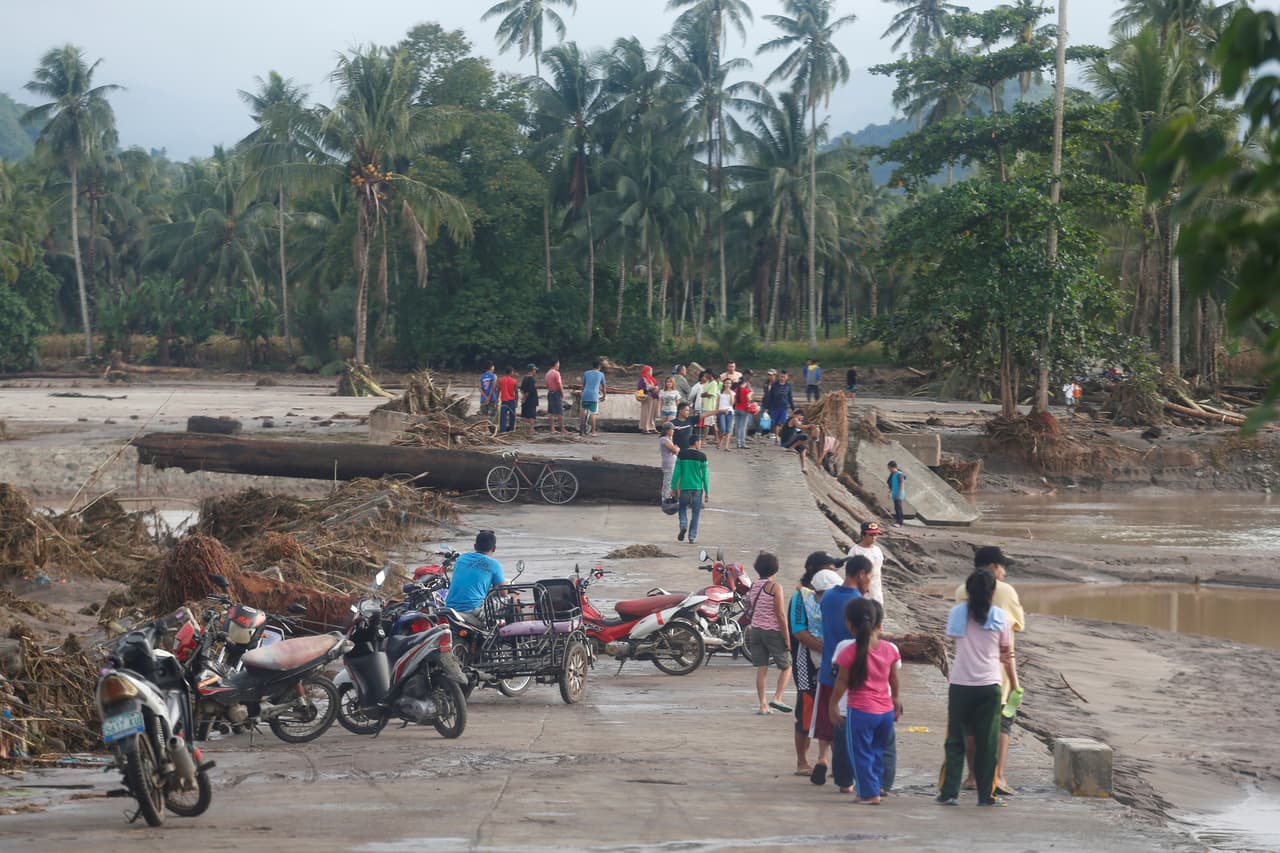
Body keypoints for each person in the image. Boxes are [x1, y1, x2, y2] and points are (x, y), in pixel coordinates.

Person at [937, 569, 1019, 808]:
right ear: (993, 592)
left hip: (960, 685)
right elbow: (1007, 656)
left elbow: (955, 639)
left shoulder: (957, 614)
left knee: (955, 740)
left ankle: (949, 792)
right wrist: (1015, 686)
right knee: (988, 742)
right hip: (989, 686)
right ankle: (986, 795)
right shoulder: (1001, 617)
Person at [956, 546, 1026, 796]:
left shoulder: (961, 591)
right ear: (993, 567)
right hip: (997, 674)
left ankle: (973, 777)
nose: (1004, 573)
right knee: (1002, 725)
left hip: (966, 672)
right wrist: (1016, 683)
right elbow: (1016, 627)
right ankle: (997, 776)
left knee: (972, 728)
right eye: (1002, 567)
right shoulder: (1005, 592)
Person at [830, 597, 901, 804]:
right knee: (877, 752)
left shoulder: (848, 651)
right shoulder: (889, 649)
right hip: (885, 711)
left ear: (850, 624)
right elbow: (894, 679)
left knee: (860, 754)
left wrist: (833, 704)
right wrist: (896, 698)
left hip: (861, 711)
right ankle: (876, 787)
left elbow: (842, 681)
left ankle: (868, 794)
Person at [809, 553, 865, 787]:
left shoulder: (829, 597)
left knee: (825, 718)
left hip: (827, 668)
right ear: (861, 574)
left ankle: (822, 758)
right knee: (845, 725)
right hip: (850, 670)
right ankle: (846, 778)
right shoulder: (857, 601)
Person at [790, 555, 842, 776]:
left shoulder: (836, 595)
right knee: (807, 707)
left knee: (835, 706)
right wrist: (825, 649)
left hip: (832, 658)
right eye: (828, 569)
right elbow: (798, 631)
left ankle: (833, 760)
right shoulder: (800, 598)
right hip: (806, 658)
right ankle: (802, 761)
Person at [746, 552, 792, 716]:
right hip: (772, 631)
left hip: (756, 630)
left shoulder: (754, 585)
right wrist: (787, 637)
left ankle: (762, 705)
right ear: (775, 569)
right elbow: (780, 614)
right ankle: (777, 698)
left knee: (762, 668)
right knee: (787, 666)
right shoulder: (775, 587)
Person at [444, 529, 505, 614]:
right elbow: (503, 593)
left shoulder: (461, 558)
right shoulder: (494, 564)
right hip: (473, 610)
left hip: (450, 607)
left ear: (475, 546)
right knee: (511, 599)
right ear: (494, 548)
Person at [670, 433, 709, 543]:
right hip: (697, 489)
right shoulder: (702, 457)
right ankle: (692, 536)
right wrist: (707, 491)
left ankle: (683, 525)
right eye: (700, 442)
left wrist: (673, 487)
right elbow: (705, 476)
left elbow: (676, 473)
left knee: (682, 508)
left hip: (684, 488)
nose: (700, 444)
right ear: (696, 443)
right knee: (695, 513)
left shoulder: (681, 455)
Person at [847, 521, 886, 605]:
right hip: (861, 590)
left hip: (876, 588)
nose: (874, 537)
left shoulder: (877, 550)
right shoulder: (855, 551)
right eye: (871, 535)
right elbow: (850, 574)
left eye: (875, 535)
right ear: (863, 535)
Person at [579, 360, 607, 436]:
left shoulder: (586, 373)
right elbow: (604, 387)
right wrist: (604, 396)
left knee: (582, 410)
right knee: (593, 413)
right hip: (594, 396)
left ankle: (580, 428)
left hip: (585, 394)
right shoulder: (601, 374)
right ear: (599, 367)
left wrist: (582, 393)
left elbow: (583, 384)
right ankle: (593, 432)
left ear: (592, 366)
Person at [768, 370, 795, 442]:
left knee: (782, 422)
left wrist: (793, 408)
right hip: (775, 407)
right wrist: (768, 407)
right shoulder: (775, 385)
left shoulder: (788, 386)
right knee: (775, 422)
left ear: (787, 377)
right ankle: (775, 436)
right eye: (781, 376)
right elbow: (770, 396)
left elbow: (790, 397)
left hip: (784, 407)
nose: (782, 378)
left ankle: (779, 436)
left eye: (784, 377)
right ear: (779, 377)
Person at [732, 371, 754, 450]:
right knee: (743, 427)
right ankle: (742, 443)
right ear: (744, 383)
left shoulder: (736, 390)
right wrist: (751, 396)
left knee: (737, 426)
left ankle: (738, 443)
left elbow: (734, 401)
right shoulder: (746, 390)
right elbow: (749, 399)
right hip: (744, 409)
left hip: (737, 409)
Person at [658, 421, 680, 502]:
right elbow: (675, 450)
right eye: (672, 429)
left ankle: (669, 498)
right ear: (667, 430)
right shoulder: (663, 439)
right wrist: (677, 448)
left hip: (672, 464)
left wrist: (676, 449)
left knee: (672, 482)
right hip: (668, 465)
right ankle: (665, 499)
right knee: (668, 483)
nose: (673, 431)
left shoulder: (669, 439)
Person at [698, 370, 721, 442]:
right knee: (712, 423)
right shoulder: (707, 383)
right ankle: (717, 438)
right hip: (705, 405)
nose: (705, 376)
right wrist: (705, 394)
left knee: (707, 424)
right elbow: (703, 394)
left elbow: (710, 394)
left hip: (710, 406)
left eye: (706, 374)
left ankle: (704, 439)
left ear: (710, 375)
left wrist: (705, 394)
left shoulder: (714, 383)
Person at [637, 365, 660, 434]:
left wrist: (656, 388)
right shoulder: (643, 379)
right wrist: (650, 388)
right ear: (647, 371)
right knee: (646, 413)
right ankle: (644, 427)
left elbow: (656, 385)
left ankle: (652, 427)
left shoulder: (652, 379)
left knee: (652, 413)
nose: (651, 372)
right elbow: (640, 388)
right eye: (650, 371)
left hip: (654, 397)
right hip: (647, 397)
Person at [545, 359, 565, 434]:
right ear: (556, 364)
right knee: (560, 412)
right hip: (556, 393)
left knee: (551, 412)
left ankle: (552, 429)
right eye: (558, 363)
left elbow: (547, 384)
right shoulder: (556, 373)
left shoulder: (547, 373)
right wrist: (562, 393)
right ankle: (562, 429)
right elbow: (559, 384)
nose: (559, 365)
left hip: (550, 393)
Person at [519, 364, 539, 433]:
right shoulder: (531, 379)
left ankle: (525, 429)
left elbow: (521, 389)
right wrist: (525, 397)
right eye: (535, 370)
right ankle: (531, 429)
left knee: (525, 414)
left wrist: (523, 397)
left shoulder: (524, 378)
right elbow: (529, 391)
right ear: (532, 370)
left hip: (526, 400)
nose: (535, 371)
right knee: (532, 415)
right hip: (531, 399)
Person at [498, 366, 518, 434]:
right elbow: (516, 392)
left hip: (504, 400)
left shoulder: (501, 380)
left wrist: (497, 399)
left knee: (503, 417)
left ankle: (502, 430)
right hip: (511, 400)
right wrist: (516, 401)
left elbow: (498, 390)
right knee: (512, 416)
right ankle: (511, 430)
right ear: (511, 372)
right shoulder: (514, 381)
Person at [887, 461, 906, 526]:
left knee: (898, 508)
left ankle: (900, 522)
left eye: (889, 468)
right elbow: (892, 485)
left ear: (892, 467)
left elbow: (901, 485)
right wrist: (890, 492)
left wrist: (899, 494)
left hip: (899, 493)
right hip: (895, 493)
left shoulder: (899, 474)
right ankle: (898, 521)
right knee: (896, 508)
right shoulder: (892, 474)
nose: (889, 469)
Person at [715, 382, 733, 451]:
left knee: (728, 430)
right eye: (726, 383)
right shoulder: (720, 392)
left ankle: (726, 446)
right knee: (722, 429)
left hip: (729, 411)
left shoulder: (732, 393)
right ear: (724, 384)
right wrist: (716, 411)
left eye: (729, 383)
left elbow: (732, 403)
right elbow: (717, 402)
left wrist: (730, 394)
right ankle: (720, 441)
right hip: (721, 411)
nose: (728, 384)